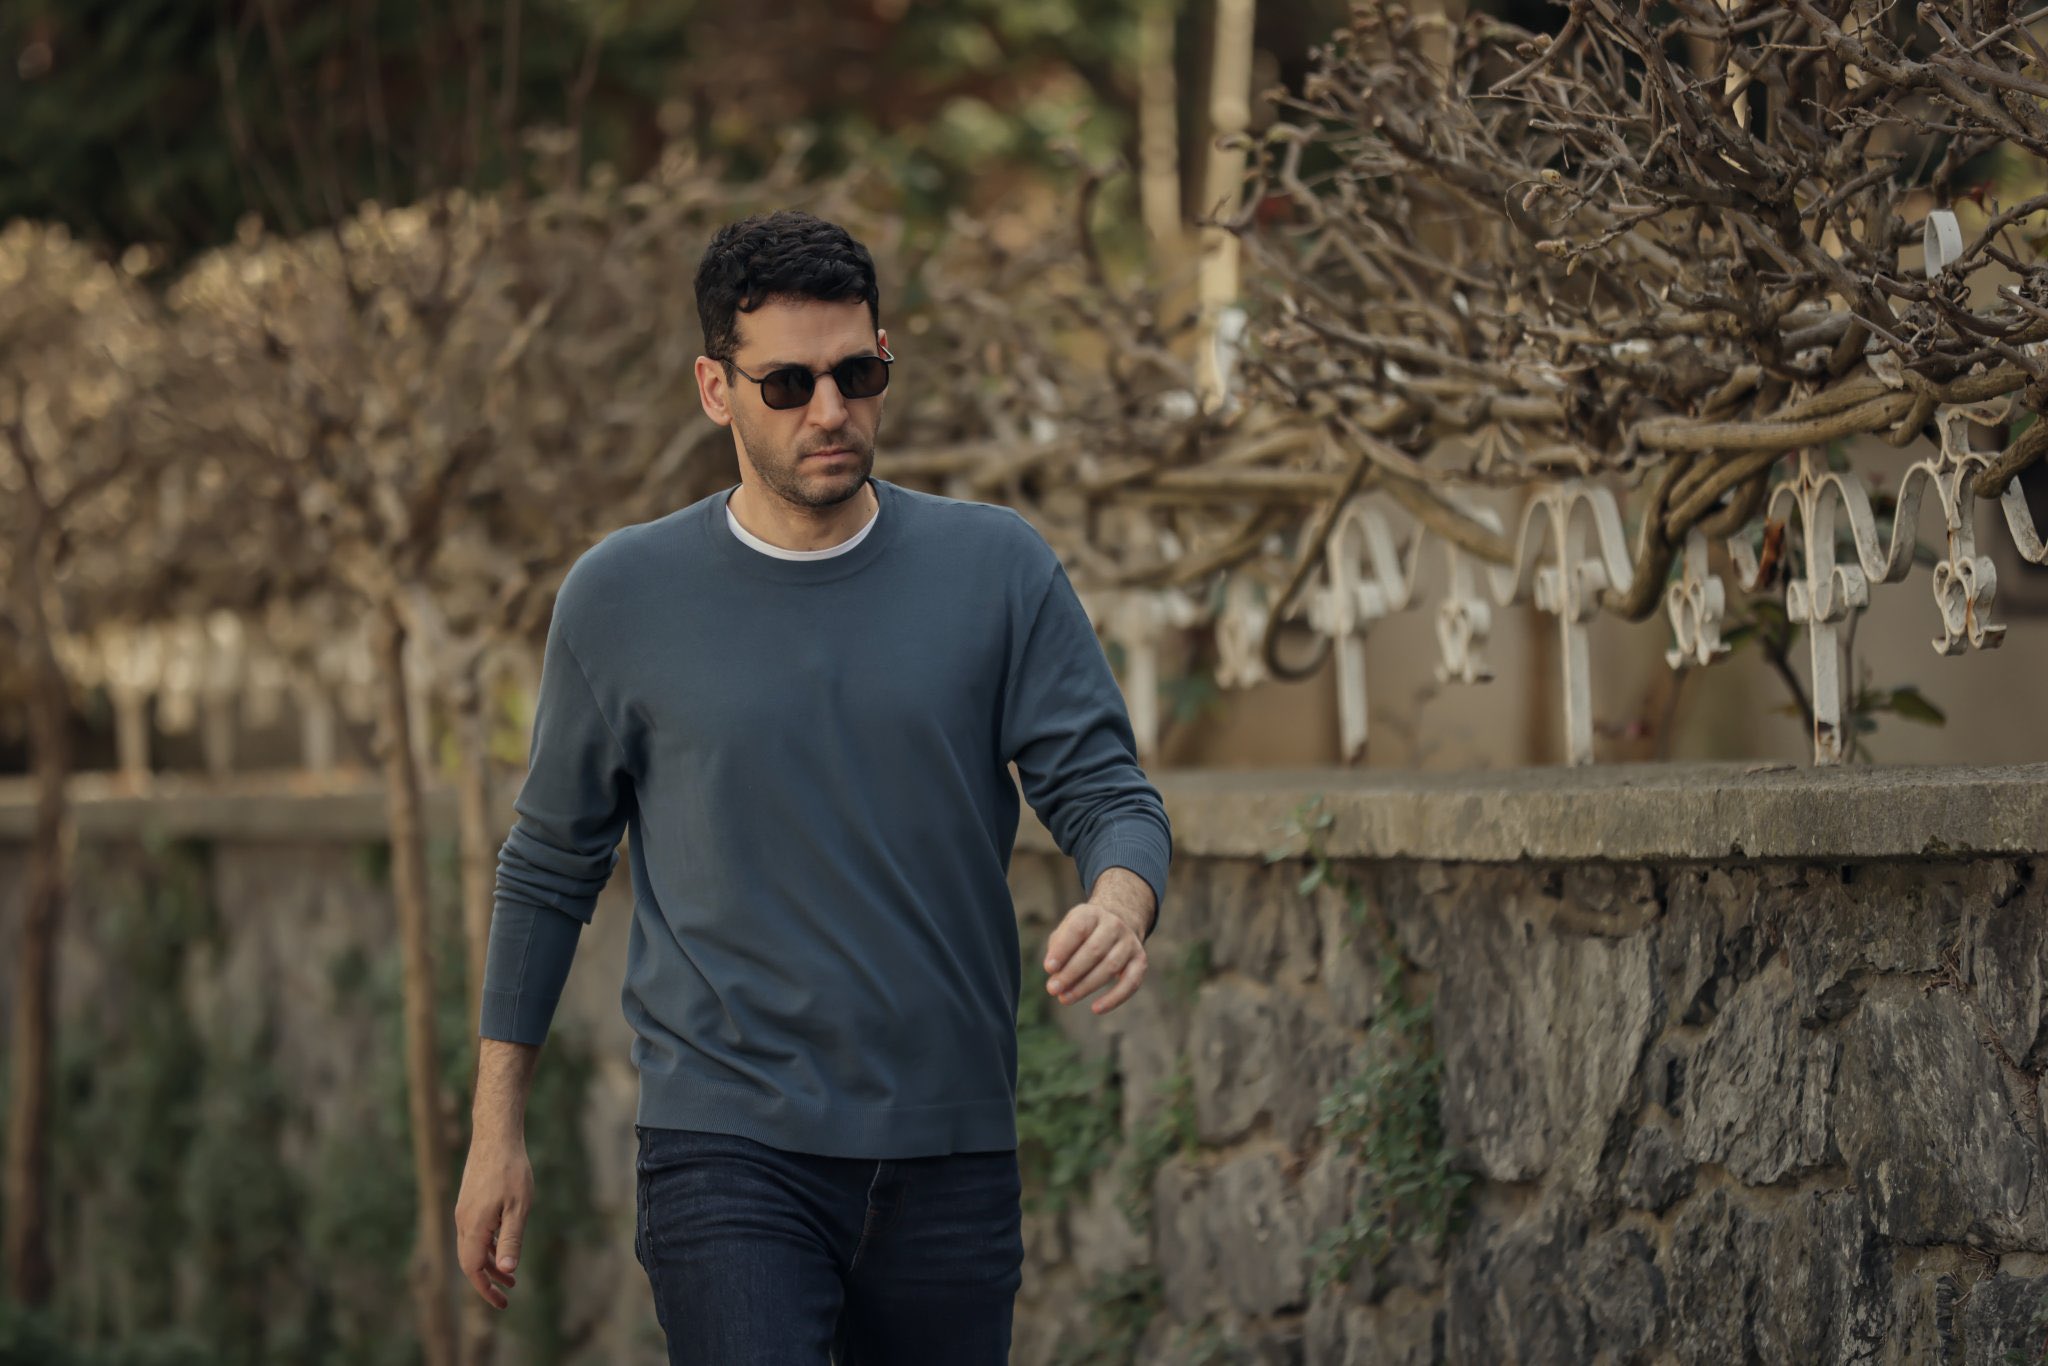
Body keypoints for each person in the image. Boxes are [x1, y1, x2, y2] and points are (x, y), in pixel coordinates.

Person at [452, 209, 1173, 1365]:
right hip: (725, 1145)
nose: (829, 409)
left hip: (949, 1147)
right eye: (787, 383)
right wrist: (496, 1130)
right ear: (715, 389)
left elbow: (1106, 789)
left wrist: (1122, 899)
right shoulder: (619, 597)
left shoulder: (996, 569)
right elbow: (547, 870)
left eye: (856, 373)